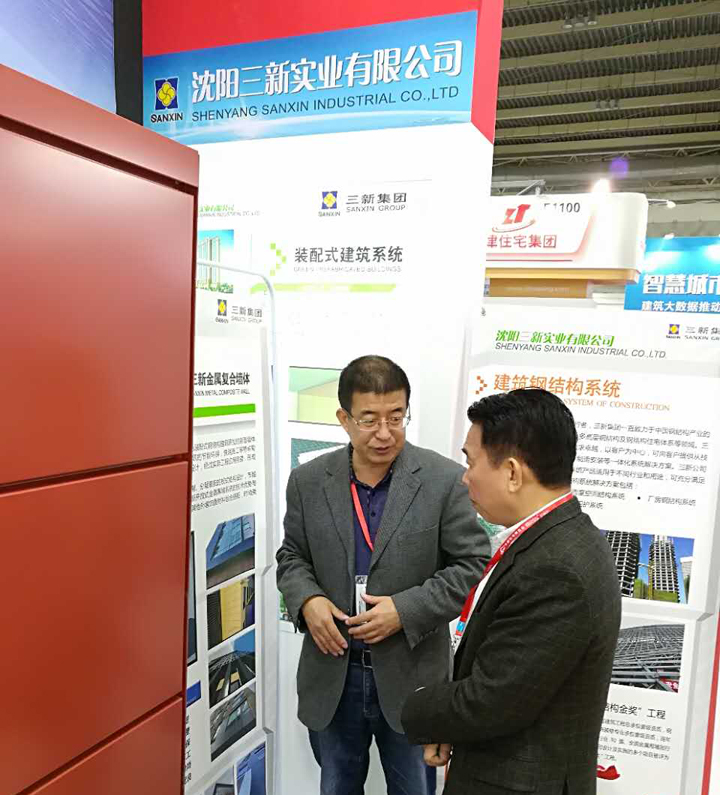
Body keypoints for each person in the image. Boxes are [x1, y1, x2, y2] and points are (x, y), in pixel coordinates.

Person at [276, 355, 489, 795]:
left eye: (396, 417)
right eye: (369, 419)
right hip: (333, 674)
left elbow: (471, 564)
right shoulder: (308, 481)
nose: (385, 432)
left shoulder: (444, 480)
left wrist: (406, 610)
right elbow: (292, 556)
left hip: (413, 677)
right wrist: (307, 601)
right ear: (344, 419)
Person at [402, 388, 622, 795]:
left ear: (512, 473)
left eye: (471, 462)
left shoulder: (555, 569)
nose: (465, 477)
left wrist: (415, 707)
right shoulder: (562, 537)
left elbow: (493, 700)